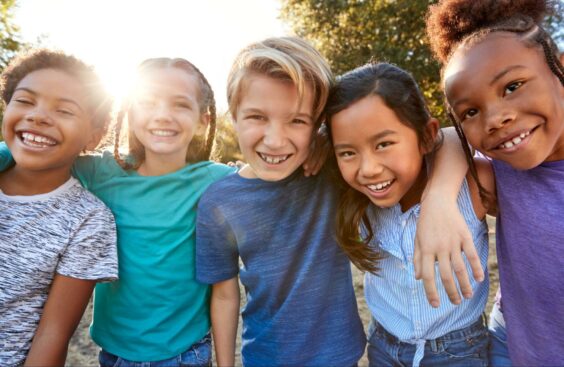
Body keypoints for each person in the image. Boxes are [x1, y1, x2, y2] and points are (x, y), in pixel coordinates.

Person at [0, 57, 234, 365]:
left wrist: (320, 144)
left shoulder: (217, 181)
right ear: (130, 112)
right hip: (113, 353)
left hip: (183, 352)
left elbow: (271, 177)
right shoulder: (101, 172)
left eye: (180, 105)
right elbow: (36, 151)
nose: (162, 115)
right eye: (148, 102)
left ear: (203, 119)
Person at [195, 36, 367, 367]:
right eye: (257, 117)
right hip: (265, 357)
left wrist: (328, 140)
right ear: (233, 116)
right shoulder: (218, 201)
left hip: (341, 356)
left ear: (318, 124)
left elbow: (422, 137)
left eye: (297, 120)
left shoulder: (332, 169)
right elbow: (225, 294)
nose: (275, 141)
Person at [421, 0, 564, 365]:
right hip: (512, 349)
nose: (496, 119)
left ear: (559, 67)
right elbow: (450, 140)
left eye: (512, 86)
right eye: (471, 111)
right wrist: (437, 198)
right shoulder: (501, 171)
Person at [326, 62, 495, 367]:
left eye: (384, 144)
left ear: (426, 136)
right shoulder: (352, 199)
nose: (368, 169)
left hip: (460, 350)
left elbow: (458, 135)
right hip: (384, 346)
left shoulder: (472, 185)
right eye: (348, 152)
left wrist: (439, 198)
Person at [0, 49, 118, 366]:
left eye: (64, 110)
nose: (38, 116)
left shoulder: (89, 220)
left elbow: (53, 334)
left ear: (93, 136)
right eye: (25, 101)